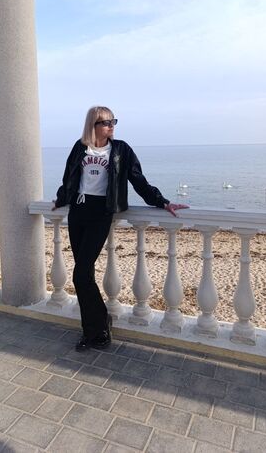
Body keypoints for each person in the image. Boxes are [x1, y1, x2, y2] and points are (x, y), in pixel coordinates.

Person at [52, 106, 188, 351]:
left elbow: (138, 179)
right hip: (78, 211)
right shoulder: (80, 147)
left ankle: (99, 327)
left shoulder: (121, 150)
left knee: (80, 274)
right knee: (84, 274)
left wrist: (162, 201)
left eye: (113, 121)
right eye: (105, 122)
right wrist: (61, 199)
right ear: (93, 125)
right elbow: (69, 177)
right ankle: (95, 327)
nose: (111, 126)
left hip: (101, 213)